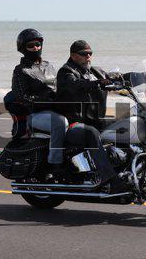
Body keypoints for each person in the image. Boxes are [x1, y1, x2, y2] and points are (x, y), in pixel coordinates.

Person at [56, 40, 135, 192]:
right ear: (73, 55)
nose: (88, 56)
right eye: (84, 54)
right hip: (74, 122)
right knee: (91, 133)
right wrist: (98, 83)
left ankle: (127, 170)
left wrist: (141, 77)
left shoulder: (95, 71)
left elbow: (116, 78)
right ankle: (109, 179)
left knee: (125, 125)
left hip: (96, 120)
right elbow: (76, 85)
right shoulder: (66, 72)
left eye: (90, 53)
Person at [11, 28, 68, 177]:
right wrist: (46, 101)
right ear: (23, 48)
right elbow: (22, 97)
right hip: (34, 114)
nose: (36, 48)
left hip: (55, 108)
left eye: (38, 44)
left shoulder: (49, 66)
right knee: (59, 123)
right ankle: (55, 164)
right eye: (31, 45)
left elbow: (60, 87)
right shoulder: (21, 70)